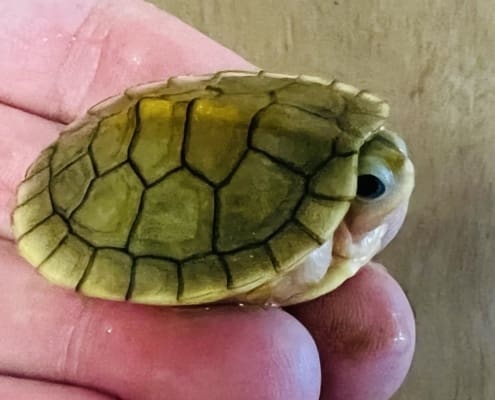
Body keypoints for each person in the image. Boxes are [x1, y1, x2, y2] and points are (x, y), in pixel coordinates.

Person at [0, 1, 415, 399]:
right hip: (106, 189)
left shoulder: (325, 145)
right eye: (371, 186)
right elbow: (287, 271)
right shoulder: (312, 256)